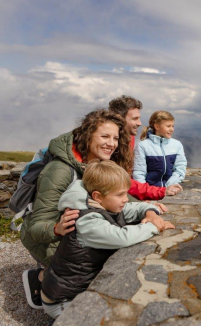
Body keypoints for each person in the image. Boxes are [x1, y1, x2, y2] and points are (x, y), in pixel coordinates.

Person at [21, 109, 136, 310]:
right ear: (87, 136)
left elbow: (119, 195)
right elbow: (37, 227)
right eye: (105, 136)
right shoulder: (60, 171)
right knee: (92, 261)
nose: (112, 143)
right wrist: (56, 229)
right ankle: (42, 280)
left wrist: (146, 210)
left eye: (116, 138)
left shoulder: (100, 163)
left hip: (74, 232)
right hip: (48, 237)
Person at [40, 160, 174, 318]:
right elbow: (122, 237)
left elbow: (136, 207)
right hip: (62, 300)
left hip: (72, 286)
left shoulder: (104, 204)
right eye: (120, 194)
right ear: (97, 196)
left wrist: (151, 213)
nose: (126, 199)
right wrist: (154, 227)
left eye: (126, 193)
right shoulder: (86, 221)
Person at [109, 95, 181, 198]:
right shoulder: (109, 144)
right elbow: (118, 180)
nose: (140, 123)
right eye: (135, 119)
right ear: (119, 119)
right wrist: (158, 192)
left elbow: (126, 176)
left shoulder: (129, 138)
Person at [133, 111, 186, 192]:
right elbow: (139, 172)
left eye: (173, 126)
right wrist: (145, 191)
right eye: (168, 126)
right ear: (157, 126)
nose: (171, 129)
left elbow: (180, 168)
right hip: (150, 191)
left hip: (170, 188)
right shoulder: (142, 146)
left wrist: (167, 186)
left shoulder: (177, 145)